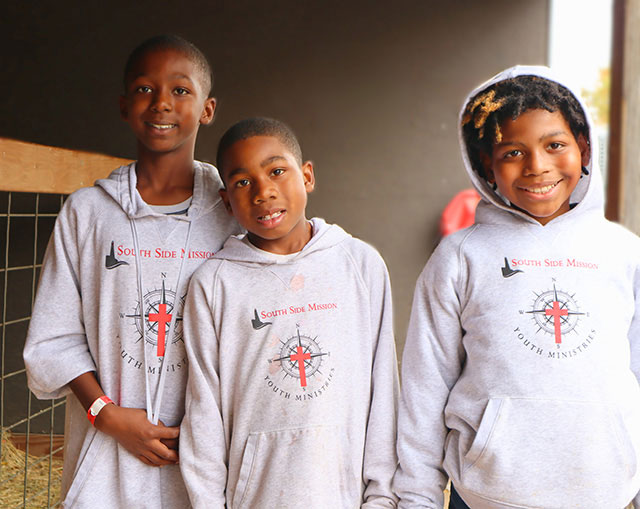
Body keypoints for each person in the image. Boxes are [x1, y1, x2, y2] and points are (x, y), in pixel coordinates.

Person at [394, 66, 640, 509]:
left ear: (584, 148)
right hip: (486, 496)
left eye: (555, 145)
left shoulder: (624, 253)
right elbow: (423, 389)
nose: (537, 166)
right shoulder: (460, 258)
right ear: (487, 164)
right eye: (512, 152)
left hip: (606, 495)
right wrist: (417, 498)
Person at [23, 35, 240, 507]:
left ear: (208, 109)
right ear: (124, 106)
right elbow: (55, 337)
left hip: (206, 456)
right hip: (107, 452)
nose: (161, 102)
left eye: (181, 90)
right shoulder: (88, 213)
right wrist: (107, 415)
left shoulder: (234, 212)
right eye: (144, 89)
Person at [179, 117, 399, 508]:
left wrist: (382, 498)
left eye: (277, 171)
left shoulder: (359, 265)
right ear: (226, 200)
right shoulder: (214, 284)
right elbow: (203, 414)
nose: (263, 192)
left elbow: (384, 390)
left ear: (308, 175)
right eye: (242, 182)